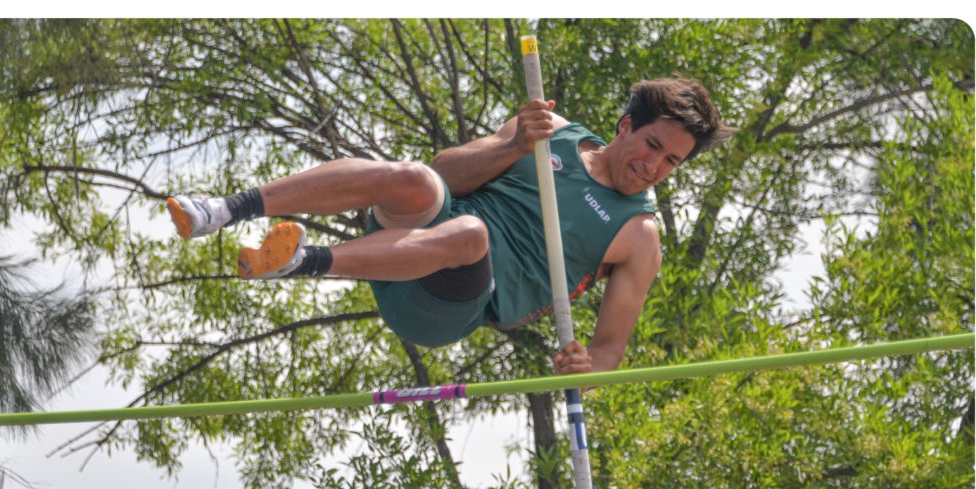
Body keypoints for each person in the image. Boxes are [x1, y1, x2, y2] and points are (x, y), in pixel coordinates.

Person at [163, 78, 724, 370]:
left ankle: (298, 263)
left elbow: (609, 350)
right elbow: (445, 174)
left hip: (448, 303)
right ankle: (226, 209)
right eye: (651, 145)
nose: (652, 167)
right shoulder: (551, 129)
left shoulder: (640, 234)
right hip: (410, 240)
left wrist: (584, 365)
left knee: (470, 237)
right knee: (411, 178)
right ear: (626, 126)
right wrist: (512, 144)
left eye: (671, 162)